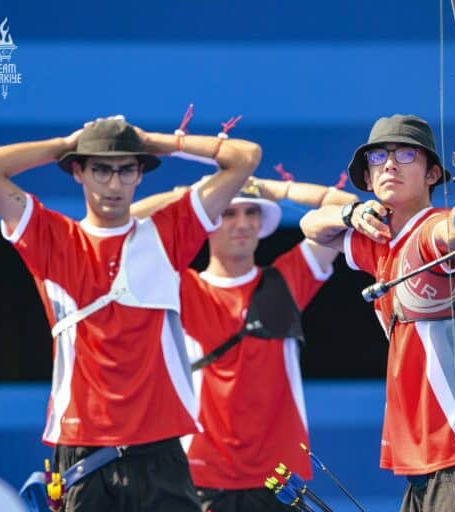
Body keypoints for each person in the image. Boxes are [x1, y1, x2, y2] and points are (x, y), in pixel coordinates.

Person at [0, 117, 262, 511]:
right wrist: (67, 143)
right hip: (84, 453)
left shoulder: (168, 232)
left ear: (140, 174)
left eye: (127, 170)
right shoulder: (51, 238)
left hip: (160, 450)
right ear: (79, 172)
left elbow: (245, 157)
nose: (114, 184)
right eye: (101, 169)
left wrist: (154, 142)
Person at [300, 114, 455, 511]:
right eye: (378, 157)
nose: (389, 164)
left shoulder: (429, 230)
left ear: (433, 173)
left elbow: (452, 231)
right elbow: (311, 225)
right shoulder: (382, 243)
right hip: (427, 456)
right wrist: (351, 214)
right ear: (367, 179)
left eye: (405, 154)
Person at [131, 175, 358, 512]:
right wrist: (193, 196)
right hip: (201, 475)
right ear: (206, 221)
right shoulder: (181, 287)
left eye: (252, 212)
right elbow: (126, 230)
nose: (242, 223)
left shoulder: (287, 280)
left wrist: (280, 190)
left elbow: (347, 208)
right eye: (227, 213)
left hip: (281, 480)